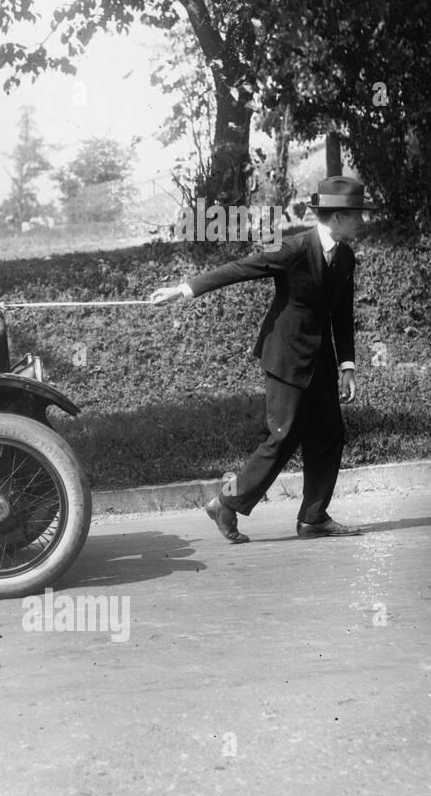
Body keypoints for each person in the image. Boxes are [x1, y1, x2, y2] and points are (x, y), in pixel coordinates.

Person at [149, 176, 372, 542]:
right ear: (336, 217)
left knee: (330, 435)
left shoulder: (346, 257)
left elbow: (342, 314)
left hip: (322, 361)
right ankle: (225, 502)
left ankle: (314, 517)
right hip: (285, 355)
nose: (361, 221)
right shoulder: (295, 248)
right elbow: (242, 268)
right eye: (356, 215)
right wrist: (184, 290)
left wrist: (347, 365)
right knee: (283, 437)